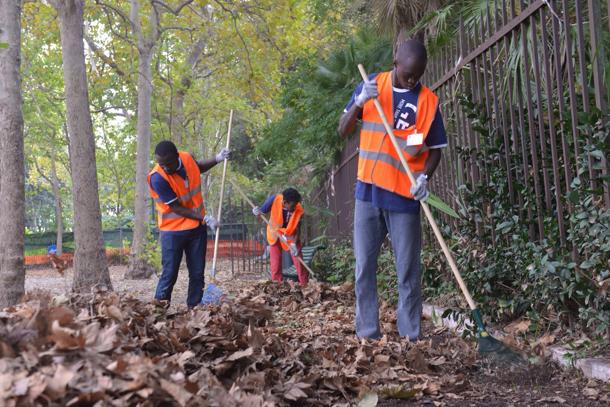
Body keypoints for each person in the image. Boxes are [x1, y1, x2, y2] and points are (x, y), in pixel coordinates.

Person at [337, 39, 448, 341]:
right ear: (395, 61)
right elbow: (342, 129)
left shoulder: (428, 101)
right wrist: (359, 102)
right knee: (364, 269)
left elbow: (435, 150)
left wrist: (425, 178)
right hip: (368, 193)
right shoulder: (372, 84)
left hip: (404, 197)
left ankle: (410, 336)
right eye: (408, 73)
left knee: (408, 272)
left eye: (418, 75)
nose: (412, 80)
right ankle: (367, 334)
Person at [148, 140, 231, 308]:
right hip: (172, 231)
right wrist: (205, 218)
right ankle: (158, 311)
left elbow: (197, 167)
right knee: (169, 273)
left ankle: (194, 309)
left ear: (177, 156)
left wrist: (217, 158)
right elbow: (177, 208)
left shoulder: (186, 158)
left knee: (197, 273)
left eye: (168, 164)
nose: (164, 167)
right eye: (160, 164)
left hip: (195, 230)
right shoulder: (157, 178)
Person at [252, 188, 308, 285]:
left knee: (299, 261)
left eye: (296, 205)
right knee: (275, 264)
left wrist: (294, 244)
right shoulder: (274, 199)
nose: (295, 207)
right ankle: (277, 286)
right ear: (285, 202)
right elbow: (261, 214)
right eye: (293, 206)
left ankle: (305, 285)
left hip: (290, 235)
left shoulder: (298, 208)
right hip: (274, 234)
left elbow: (298, 228)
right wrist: (256, 212)